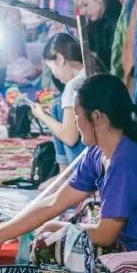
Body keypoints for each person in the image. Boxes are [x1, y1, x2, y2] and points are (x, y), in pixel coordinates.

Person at [0, 73, 137, 266]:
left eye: (78, 115)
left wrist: (55, 228)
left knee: (51, 247)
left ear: (97, 117)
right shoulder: (98, 153)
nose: (76, 123)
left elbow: (105, 234)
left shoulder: (126, 163)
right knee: (53, 230)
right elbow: (54, 202)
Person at [30, 32, 86, 170]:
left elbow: (69, 137)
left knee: (56, 105)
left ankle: (66, 173)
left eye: (51, 68)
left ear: (60, 59)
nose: (53, 74)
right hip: (105, 154)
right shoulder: (94, 69)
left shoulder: (73, 86)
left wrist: (42, 116)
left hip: (89, 160)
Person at [72, 0, 120, 74]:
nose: (82, 12)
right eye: (80, 7)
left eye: (85, 5)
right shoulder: (93, 26)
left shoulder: (120, 23)